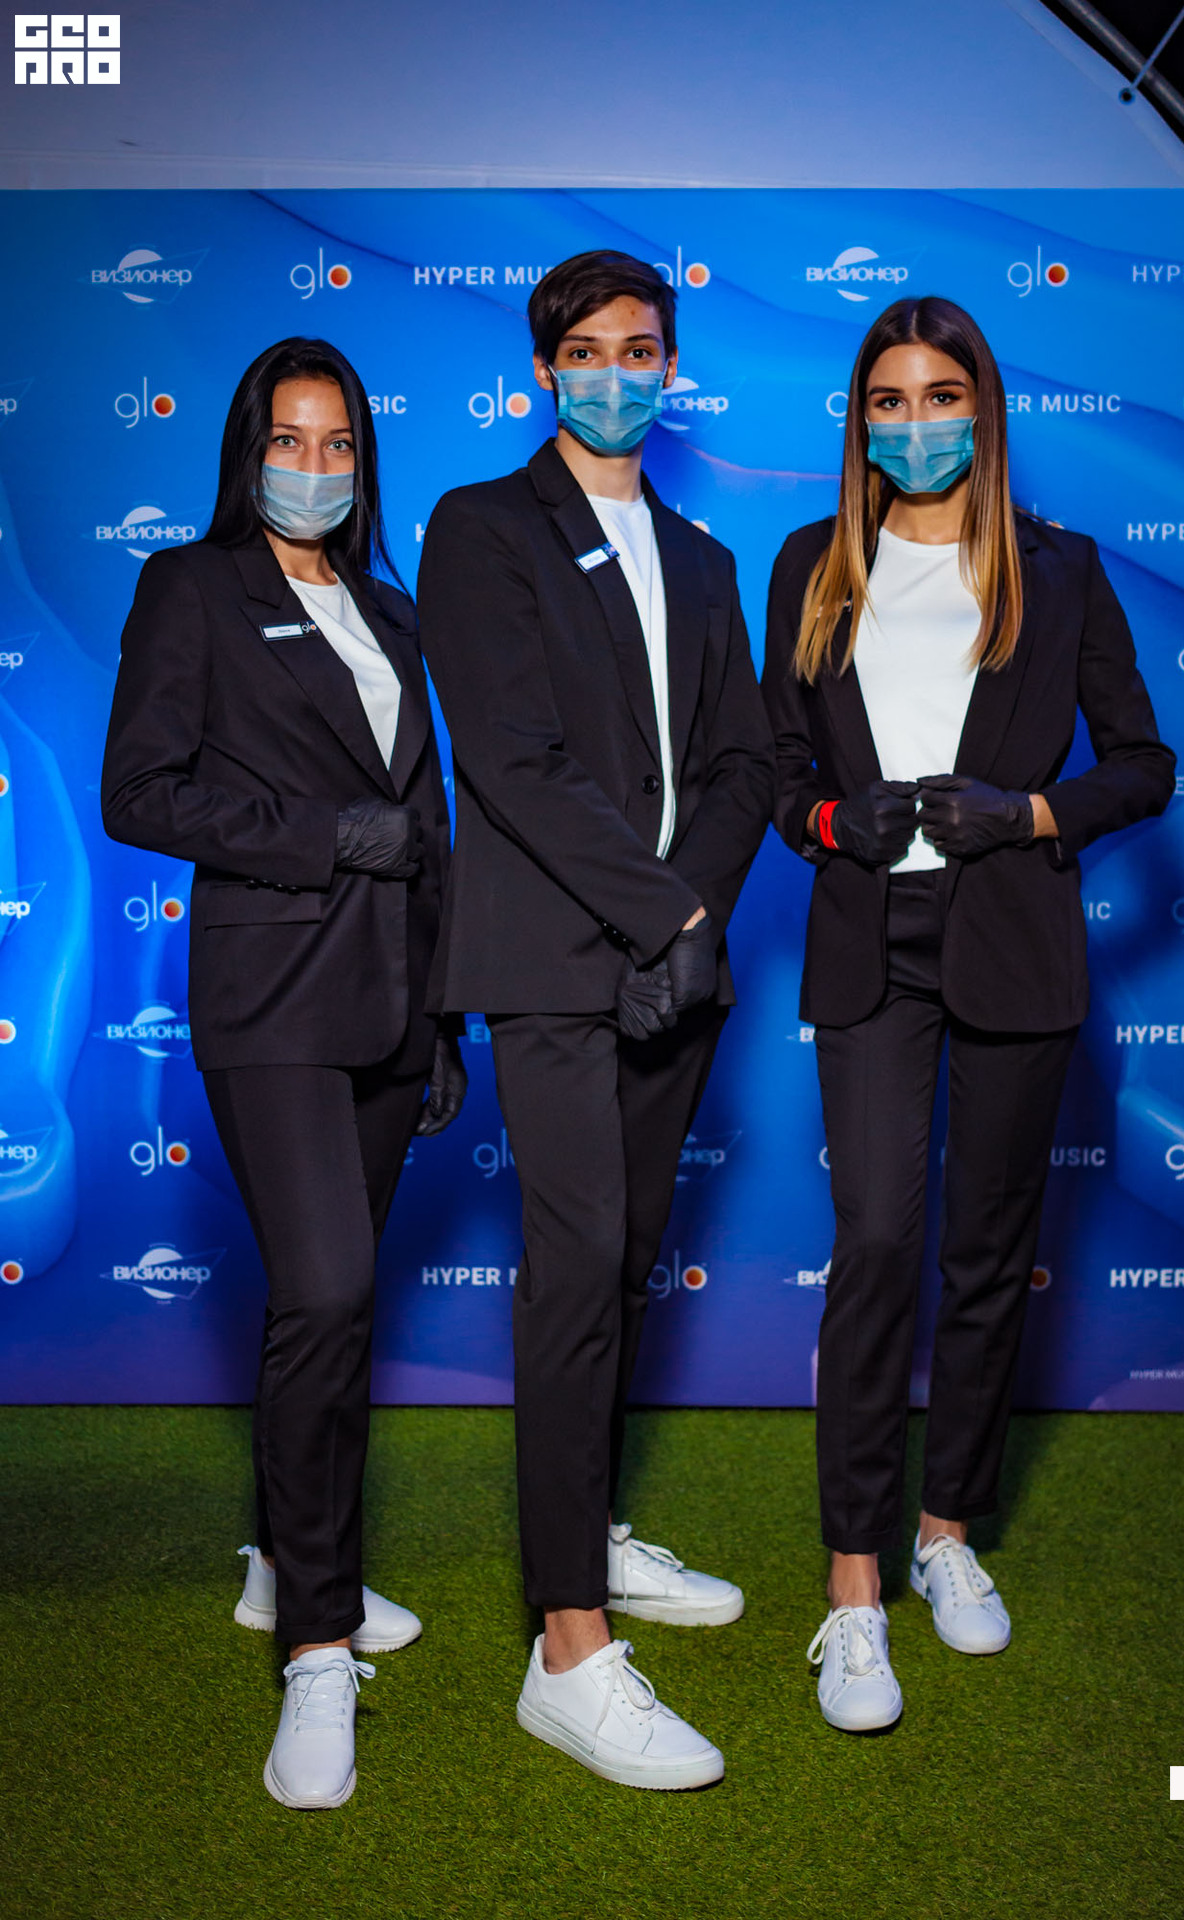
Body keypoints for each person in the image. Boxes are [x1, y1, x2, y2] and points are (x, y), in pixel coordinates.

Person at [762, 296, 1175, 1734]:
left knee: (990, 1256)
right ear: (860, 420)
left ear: (981, 410)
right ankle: (855, 1584)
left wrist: (1033, 814)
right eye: (889, 400)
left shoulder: (1060, 568)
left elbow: (1145, 764)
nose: (917, 422)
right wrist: (832, 820)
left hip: (1012, 938)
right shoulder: (813, 564)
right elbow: (774, 772)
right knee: (877, 1244)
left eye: (942, 395)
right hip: (869, 943)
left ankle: (946, 1532)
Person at [418, 250, 774, 1790]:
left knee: (626, 1266)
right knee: (573, 1274)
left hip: (673, 966)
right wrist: (662, 916)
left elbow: (748, 765)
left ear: (670, 367)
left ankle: (591, 1529)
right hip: (561, 959)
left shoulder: (702, 555)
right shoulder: (482, 526)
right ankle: (566, 1648)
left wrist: (692, 922)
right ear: (542, 369)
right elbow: (512, 760)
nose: (614, 373)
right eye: (586, 351)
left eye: (640, 350)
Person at [102, 338, 463, 1809]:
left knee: (333, 1309)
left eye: (338, 446)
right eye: (288, 441)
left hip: (389, 1005)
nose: (313, 468)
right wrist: (321, 838)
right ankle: (318, 1645)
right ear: (248, 449)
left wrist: (445, 1015)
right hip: (270, 1000)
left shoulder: (392, 608)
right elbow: (139, 792)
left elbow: (428, 819)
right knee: (323, 1293)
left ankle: (286, 1557)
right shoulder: (190, 588)